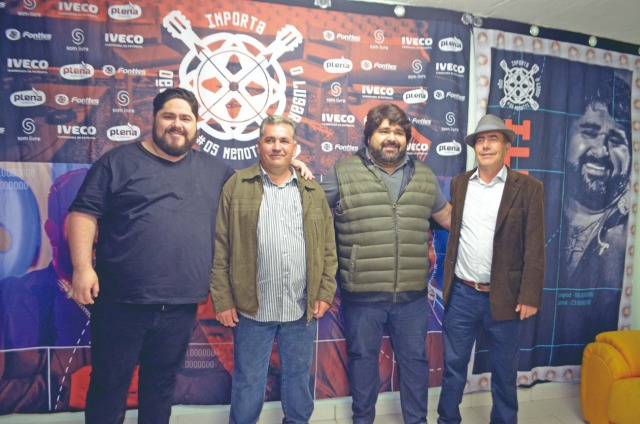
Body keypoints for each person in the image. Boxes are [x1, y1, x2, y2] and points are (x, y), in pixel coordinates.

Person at [68, 87, 236, 424]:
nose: (177, 124)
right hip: (120, 302)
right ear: (154, 119)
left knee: (160, 387)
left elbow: (254, 190)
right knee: (109, 385)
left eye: (185, 118)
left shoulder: (216, 171)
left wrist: (292, 167)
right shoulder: (117, 162)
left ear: (197, 124)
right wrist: (82, 267)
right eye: (168, 116)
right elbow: (83, 213)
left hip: (180, 305)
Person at [321, 103, 452, 424]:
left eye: (398, 132)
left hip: (411, 296)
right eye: (383, 131)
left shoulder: (424, 176)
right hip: (361, 294)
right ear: (369, 136)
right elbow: (312, 215)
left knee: (415, 362)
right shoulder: (343, 172)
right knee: (362, 362)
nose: (391, 138)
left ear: (407, 138)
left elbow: (449, 218)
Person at [210, 115, 337, 424]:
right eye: (270, 140)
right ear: (259, 145)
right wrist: (223, 299)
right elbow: (221, 247)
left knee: (299, 379)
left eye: (283, 140)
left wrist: (324, 292)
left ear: (294, 147)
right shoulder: (237, 185)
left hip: (300, 307)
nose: (277, 147)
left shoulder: (312, 190)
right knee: (248, 381)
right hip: (252, 310)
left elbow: (327, 248)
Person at [437, 114, 545, 424]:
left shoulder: (529, 188)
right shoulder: (460, 184)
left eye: (493, 139)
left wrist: (529, 295)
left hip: (506, 296)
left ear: (506, 146)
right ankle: (447, 420)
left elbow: (535, 245)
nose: (485, 146)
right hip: (462, 294)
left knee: (504, 372)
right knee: (453, 368)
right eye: (480, 141)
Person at [0, 168, 91, 413]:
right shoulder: (9, 297)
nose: (95, 233)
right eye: (81, 221)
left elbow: (190, 379)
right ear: (51, 232)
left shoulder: (142, 294)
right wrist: (66, 391)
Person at [557, 74, 631, 357]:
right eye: (589, 131)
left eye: (616, 139)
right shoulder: (541, 213)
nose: (601, 151)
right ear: (562, 139)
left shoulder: (629, 234)